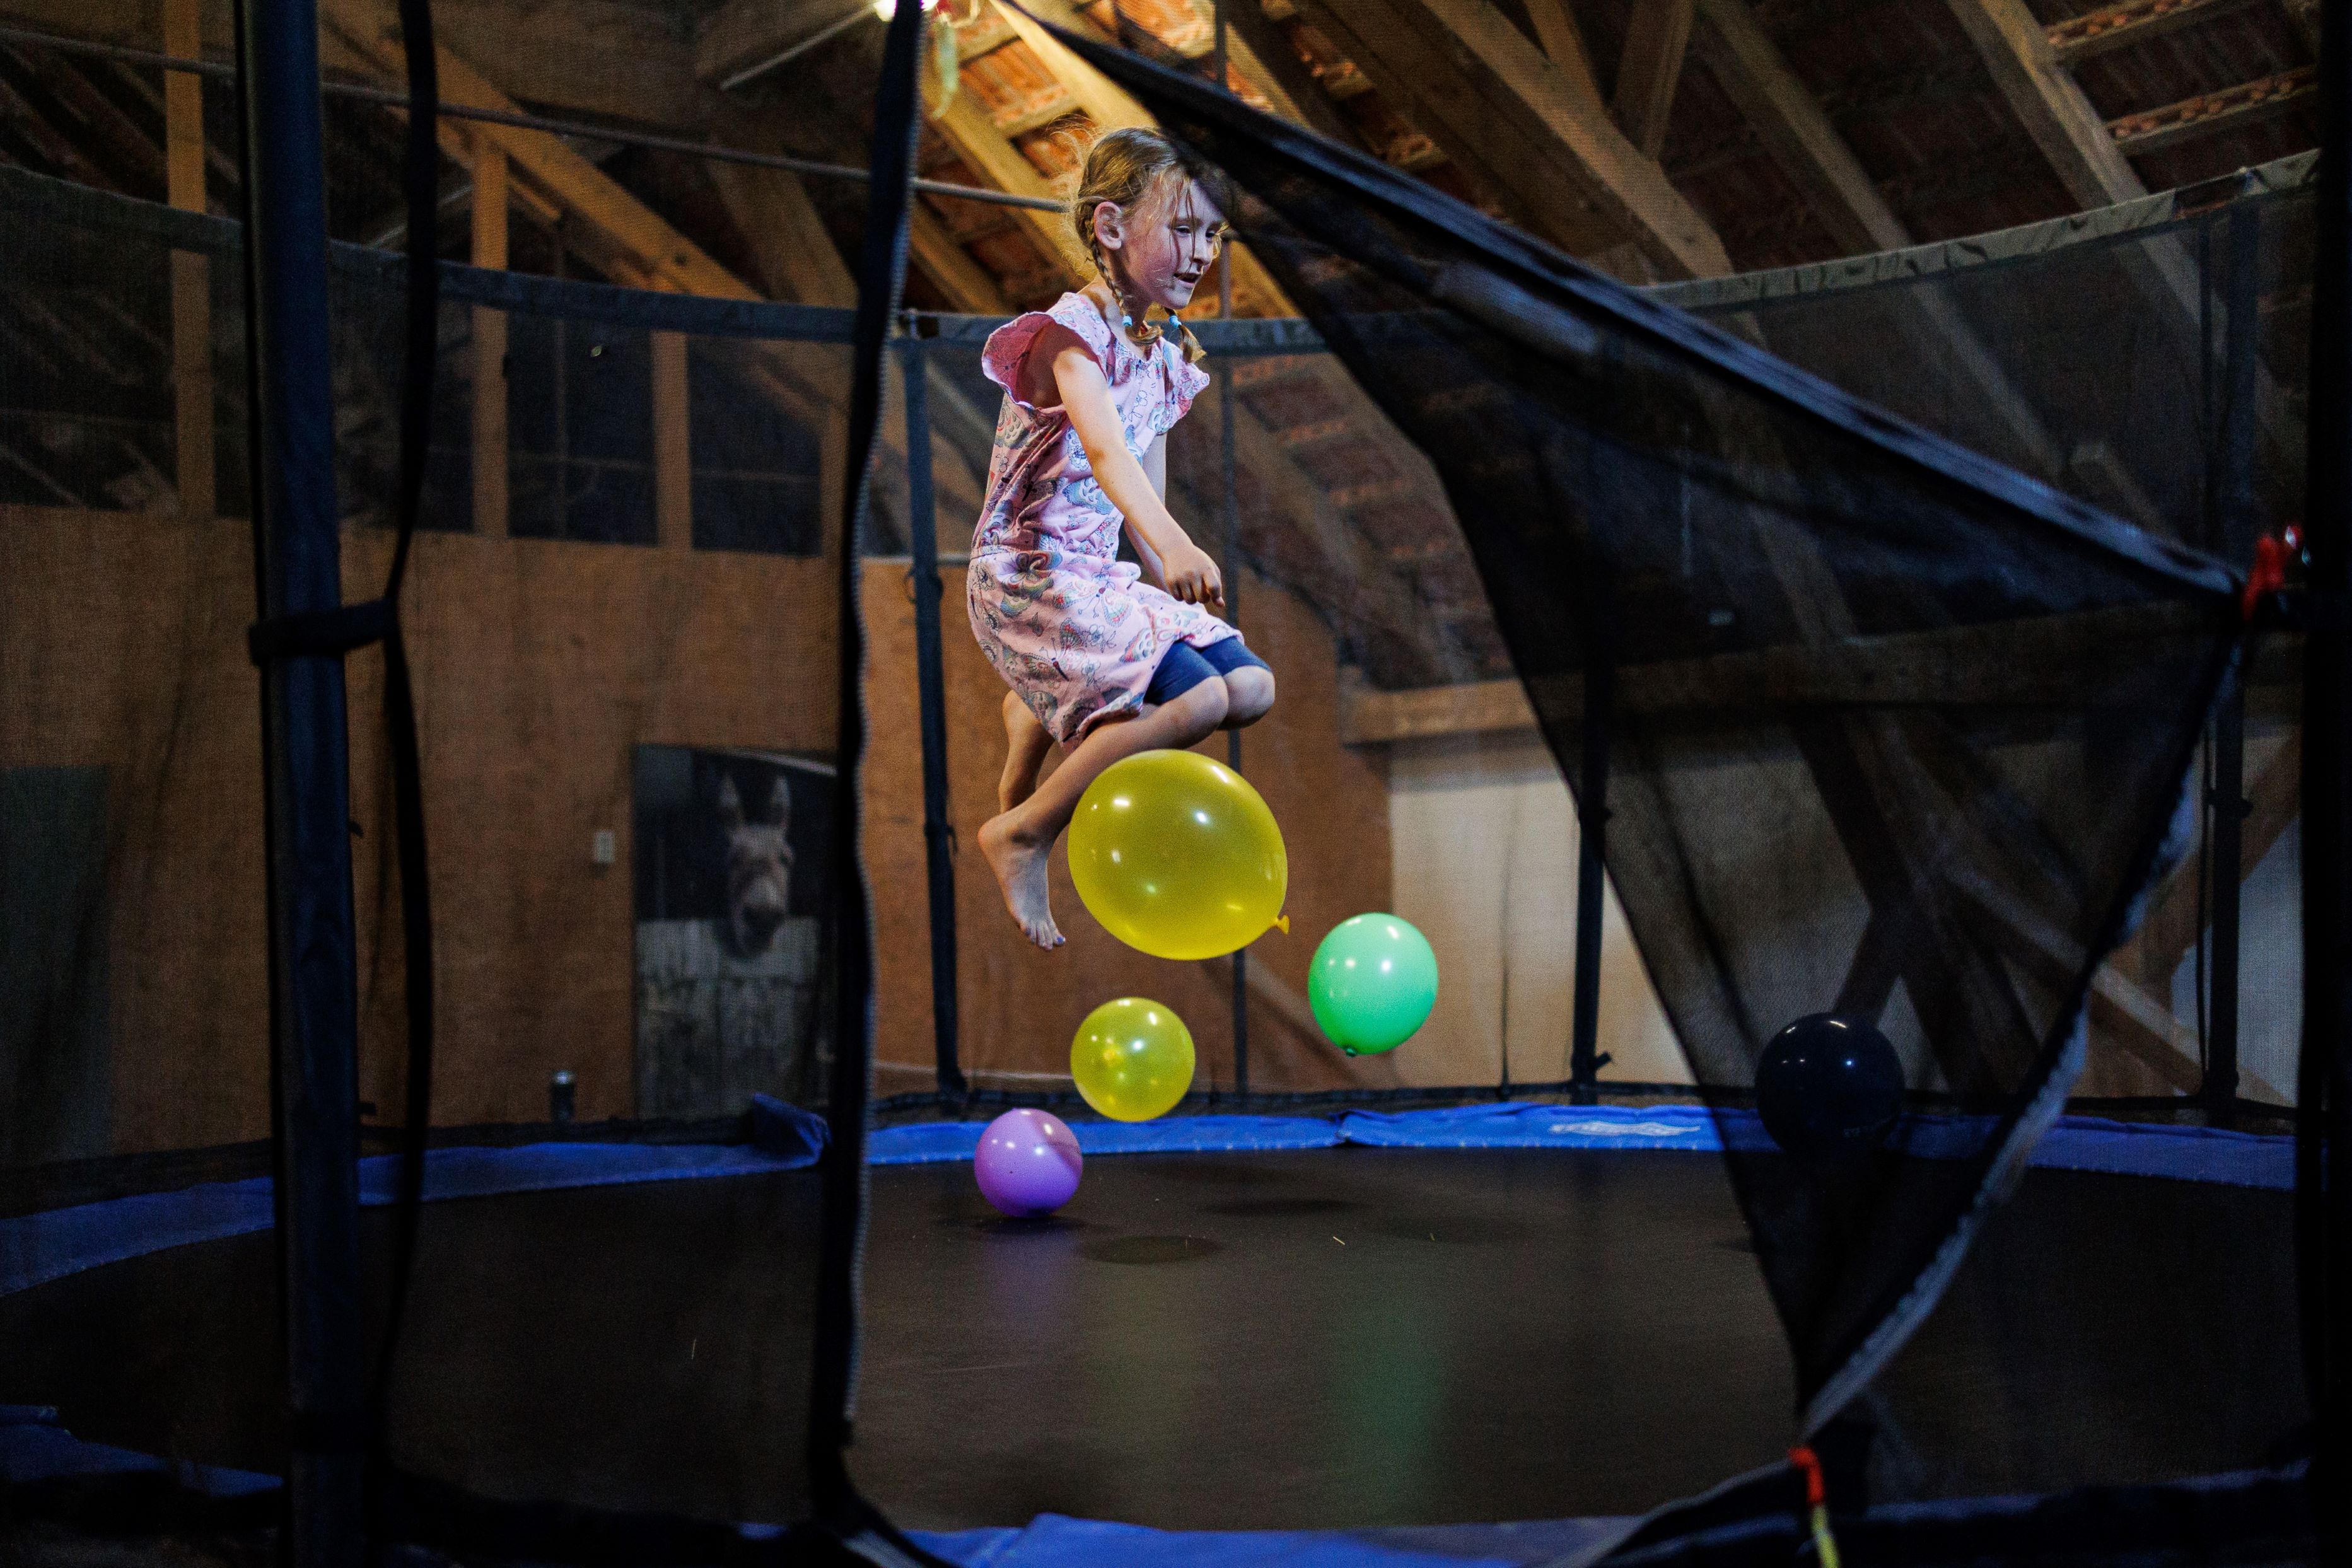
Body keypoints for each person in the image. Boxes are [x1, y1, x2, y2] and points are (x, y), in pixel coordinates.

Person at [969, 127, 1276, 951]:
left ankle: (1035, 706)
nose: (1202, 252)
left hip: (1093, 578)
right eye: (1183, 229)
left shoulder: (1162, 354)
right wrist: (1175, 546)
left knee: (1249, 689)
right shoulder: (1069, 335)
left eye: (1212, 234)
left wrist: (1160, 578)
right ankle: (1024, 831)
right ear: (1109, 227)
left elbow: (1143, 484)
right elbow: (1106, 452)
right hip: (1026, 578)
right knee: (1198, 701)